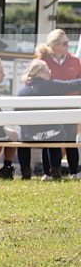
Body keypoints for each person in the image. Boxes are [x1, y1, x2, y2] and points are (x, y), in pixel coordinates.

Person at [16, 59, 81, 180]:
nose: (50, 73)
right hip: (51, 135)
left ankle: (25, 172)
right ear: (39, 73)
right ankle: (55, 171)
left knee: (22, 136)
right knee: (55, 132)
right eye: (47, 70)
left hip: (29, 137)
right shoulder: (51, 85)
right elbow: (73, 85)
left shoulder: (22, 91)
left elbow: (17, 117)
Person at [42, 29, 81, 178]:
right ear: (55, 45)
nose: (67, 45)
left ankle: (74, 172)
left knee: (70, 139)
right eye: (64, 43)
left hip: (70, 106)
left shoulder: (75, 61)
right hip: (50, 106)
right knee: (50, 138)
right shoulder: (43, 61)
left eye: (67, 43)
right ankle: (49, 172)